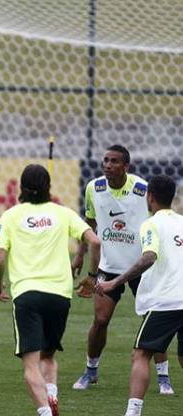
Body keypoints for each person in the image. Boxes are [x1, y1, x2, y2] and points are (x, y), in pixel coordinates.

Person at [0, 164, 100, 416]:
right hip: (59, 296)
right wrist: (90, 276)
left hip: (28, 294)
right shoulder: (62, 213)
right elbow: (94, 240)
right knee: (49, 356)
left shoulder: (11, 215)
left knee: (30, 364)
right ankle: (52, 394)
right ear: (49, 185)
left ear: (21, 187)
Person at [72, 145, 174, 394]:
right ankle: (90, 370)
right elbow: (91, 223)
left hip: (141, 267)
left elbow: (157, 219)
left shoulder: (141, 189)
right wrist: (80, 254)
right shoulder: (93, 188)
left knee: (154, 319)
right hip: (109, 266)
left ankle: (163, 377)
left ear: (125, 166)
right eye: (105, 160)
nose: (107, 165)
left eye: (114, 161)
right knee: (100, 320)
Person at [97, 175, 183, 416]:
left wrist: (115, 282)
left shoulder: (151, 225)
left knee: (141, 353)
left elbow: (148, 257)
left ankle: (132, 415)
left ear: (150, 197)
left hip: (167, 301)